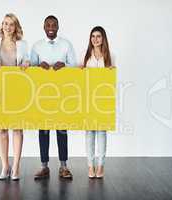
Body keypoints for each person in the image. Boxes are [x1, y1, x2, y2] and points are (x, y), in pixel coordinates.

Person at [0, 13, 29, 181]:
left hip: (17, 90)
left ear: (16, 27)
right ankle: (5, 166)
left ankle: (16, 167)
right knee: (1, 129)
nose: (8, 27)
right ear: (2, 25)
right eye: (5, 24)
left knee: (17, 128)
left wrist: (26, 63)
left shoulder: (22, 45)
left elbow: (27, 61)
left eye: (11, 24)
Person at [30, 15, 77, 179]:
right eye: (48, 24)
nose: (51, 27)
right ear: (44, 27)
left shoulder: (66, 45)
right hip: (42, 96)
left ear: (58, 27)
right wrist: (37, 66)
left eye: (54, 25)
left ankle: (64, 166)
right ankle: (44, 166)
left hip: (62, 95)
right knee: (43, 130)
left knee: (62, 130)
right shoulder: (37, 46)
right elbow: (29, 70)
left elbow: (75, 67)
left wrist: (65, 65)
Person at [80, 26, 115, 179]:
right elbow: (78, 78)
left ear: (103, 38)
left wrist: (112, 70)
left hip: (103, 100)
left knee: (101, 132)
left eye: (98, 36)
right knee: (89, 133)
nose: (95, 39)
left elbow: (111, 79)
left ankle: (100, 166)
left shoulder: (110, 55)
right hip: (88, 99)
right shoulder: (85, 55)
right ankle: (90, 166)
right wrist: (80, 70)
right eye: (93, 36)